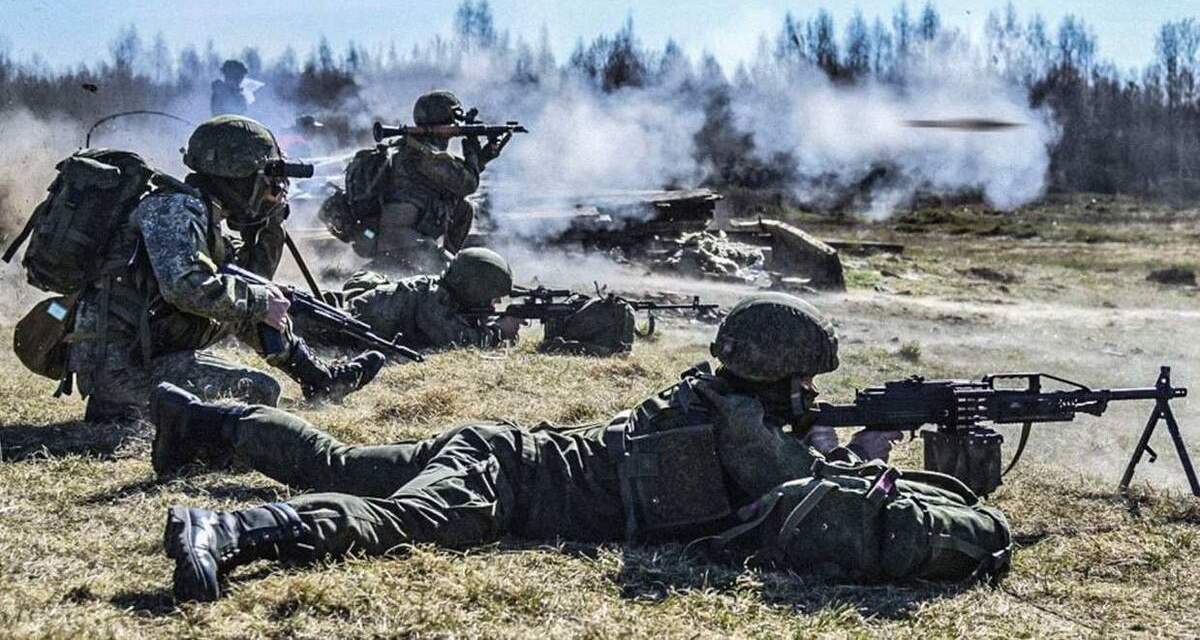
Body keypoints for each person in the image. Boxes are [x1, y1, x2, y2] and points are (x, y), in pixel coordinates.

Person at [150, 292, 906, 602]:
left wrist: (820, 432)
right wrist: (864, 449)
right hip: (501, 478)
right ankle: (229, 527)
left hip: (499, 449)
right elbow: (819, 506)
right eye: (803, 378)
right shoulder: (745, 428)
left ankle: (202, 425)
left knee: (341, 465)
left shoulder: (720, 395)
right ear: (774, 370)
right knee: (401, 521)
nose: (810, 390)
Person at [71, 115, 386, 422]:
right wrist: (260, 302)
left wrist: (269, 223)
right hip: (123, 368)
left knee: (250, 300)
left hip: (148, 347)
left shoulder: (202, 215)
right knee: (260, 391)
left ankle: (318, 377)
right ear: (239, 177)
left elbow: (250, 277)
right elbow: (186, 286)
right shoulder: (174, 209)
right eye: (264, 180)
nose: (270, 187)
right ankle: (118, 406)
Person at [343, 90, 509, 273]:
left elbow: (454, 181)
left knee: (464, 208)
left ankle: (438, 262)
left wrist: (481, 159)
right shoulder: (424, 155)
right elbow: (467, 184)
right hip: (401, 240)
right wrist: (470, 148)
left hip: (392, 234)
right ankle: (437, 270)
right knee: (455, 276)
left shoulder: (408, 146)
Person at [293, 247, 524, 352]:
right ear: (472, 290)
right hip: (326, 326)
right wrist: (499, 331)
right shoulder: (431, 300)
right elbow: (457, 342)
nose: (493, 306)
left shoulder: (445, 291)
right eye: (490, 299)